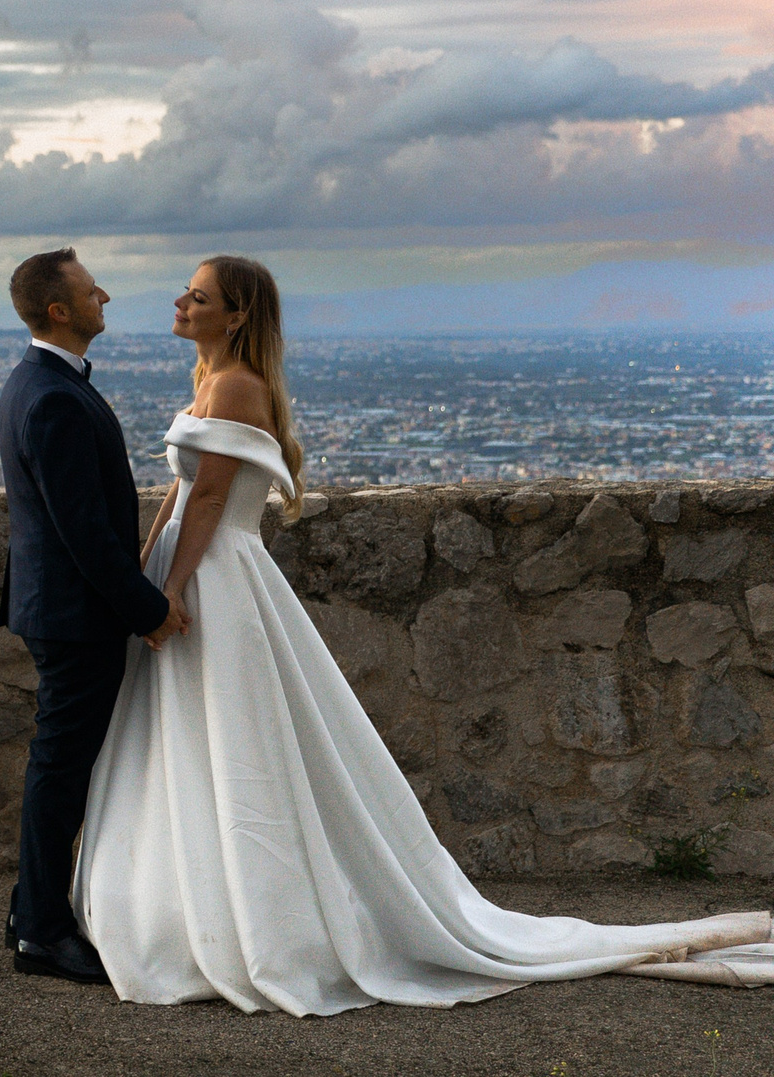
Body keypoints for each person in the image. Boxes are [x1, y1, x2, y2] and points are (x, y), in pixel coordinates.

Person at [72, 253, 774, 1013]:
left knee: (234, 748)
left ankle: (248, 921)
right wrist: (144, 580)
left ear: (236, 314)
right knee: (206, 746)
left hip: (213, 578)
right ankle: (208, 911)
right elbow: (179, 499)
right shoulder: (212, 381)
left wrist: (167, 592)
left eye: (198, 295)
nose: (180, 300)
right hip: (197, 568)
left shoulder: (236, 386)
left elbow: (208, 500)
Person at [0, 246, 187, 984]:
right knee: (61, 769)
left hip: (61, 609)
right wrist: (147, 609)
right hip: (75, 617)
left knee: (62, 764)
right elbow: (83, 531)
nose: (103, 294)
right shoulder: (52, 397)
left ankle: (29, 909)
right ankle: (42, 931)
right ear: (59, 310)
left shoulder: (41, 384)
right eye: (89, 289)